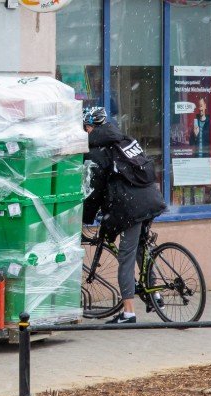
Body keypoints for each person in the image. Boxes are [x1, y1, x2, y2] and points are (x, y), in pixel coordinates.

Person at [82, 106, 166, 324]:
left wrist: (85, 216)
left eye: (85, 128)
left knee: (125, 257)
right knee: (140, 247)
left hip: (132, 205)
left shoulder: (98, 151)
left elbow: (95, 190)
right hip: (151, 198)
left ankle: (128, 312)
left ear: (89, 128)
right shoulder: (124, 140)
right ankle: (155, 294)